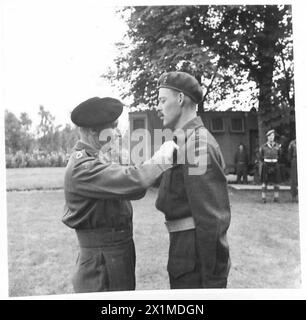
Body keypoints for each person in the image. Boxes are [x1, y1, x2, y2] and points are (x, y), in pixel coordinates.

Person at [62, 96, 178, 293]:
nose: (117, 134)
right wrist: (162, 157)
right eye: (112, 128)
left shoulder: (99, 158)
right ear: (92, 131)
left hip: (115, 253)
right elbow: (134, 181)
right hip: (102, 261)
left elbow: (134, 189)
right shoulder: (83, 167)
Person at [155, 71, 231, 289]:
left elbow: (212, 221)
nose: (158, 107)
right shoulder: (184, 141)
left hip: (195, 255)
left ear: (180, 99)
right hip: (185, 250)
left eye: (162, 100)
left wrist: (214, 281)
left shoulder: (198, 146)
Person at [259, 129, 281, 203]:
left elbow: (280, 155)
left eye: (272, 136)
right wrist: (266, 161)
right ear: (267, 137)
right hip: (266, 165)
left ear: (274, 137)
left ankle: (276, 197)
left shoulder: (278, 146)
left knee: (276, 181)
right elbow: (261, 157)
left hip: (275, 164)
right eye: (270, 136)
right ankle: (263, 198)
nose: (271, 137)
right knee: (264, 181)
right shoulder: (263, 147)